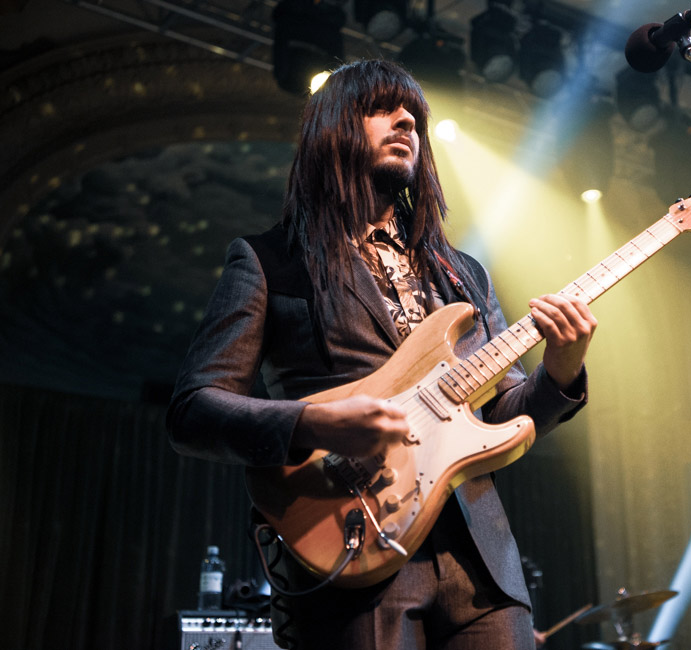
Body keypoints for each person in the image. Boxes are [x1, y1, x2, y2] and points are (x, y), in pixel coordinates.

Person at [167, 59, 596, 650]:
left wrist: (561, 370)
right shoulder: (269, 261)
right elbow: (192, 411)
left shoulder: (462, 273)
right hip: (353, 546)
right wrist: (313, 422)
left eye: (414, 115)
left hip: (482, 563)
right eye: (382, 109)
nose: (406, 122)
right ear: (332, 129)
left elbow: (503, 416)